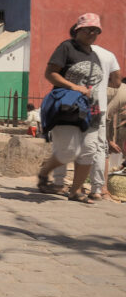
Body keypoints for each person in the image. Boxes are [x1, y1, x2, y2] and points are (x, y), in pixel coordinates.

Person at [37, 14, 112, 201]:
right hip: (68, 106)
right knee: (69, 150)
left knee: (89, 150)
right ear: (78, 30)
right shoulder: (66, 47)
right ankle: (45, 172)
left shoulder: (94, 54)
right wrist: (74, 87)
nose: (93, 33)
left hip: (91, 109)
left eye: (96, 31)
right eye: (89, 29)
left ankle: (75, 191)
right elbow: (50, 73)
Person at [52, 33, 120, 200]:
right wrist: (101, 84)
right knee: (96, 147)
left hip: (70, 105)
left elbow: (57, 75)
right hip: (97, 107)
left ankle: (59, 184)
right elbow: (117, 82)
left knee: (65, 143)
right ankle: (97, 189)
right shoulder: (108, 54)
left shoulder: (69, 51)